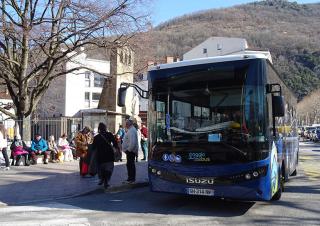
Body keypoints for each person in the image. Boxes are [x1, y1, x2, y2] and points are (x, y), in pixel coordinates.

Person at [92, 122, 118, 189]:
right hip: (109, 155)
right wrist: (115, 149)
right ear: (105, 128)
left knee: (101, 169)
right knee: (108, 169)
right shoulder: (109, 134)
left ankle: (102, 179)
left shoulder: (96, 137)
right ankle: (106, 181)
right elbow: (115, 143)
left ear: (99, 129)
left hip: (100, 156)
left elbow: (93, 147)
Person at [122, 119, 139, 184]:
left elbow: (133, 142)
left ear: (129, 124)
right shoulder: (131, 130)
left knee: (130, 165)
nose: (125, 125)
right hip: (130, 151)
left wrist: (128, 150)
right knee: (129, 165)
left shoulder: (132, 130)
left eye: (126, 123)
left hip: (130, 151)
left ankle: (131, 179)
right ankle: (130, 179)